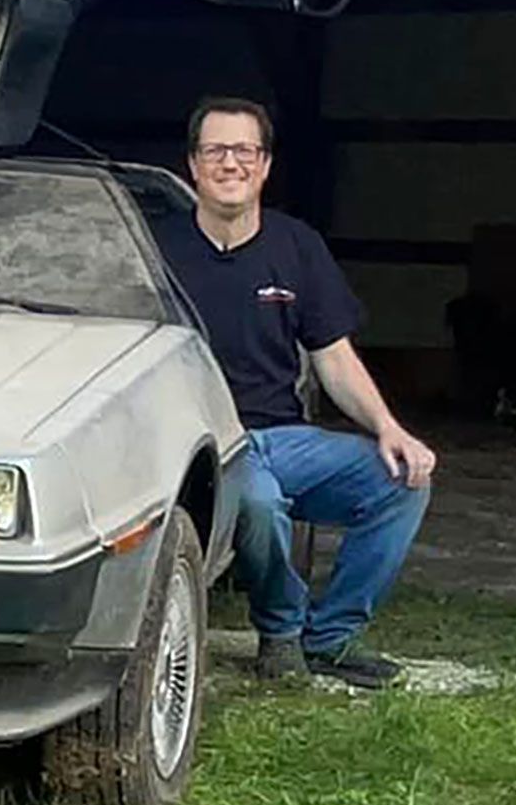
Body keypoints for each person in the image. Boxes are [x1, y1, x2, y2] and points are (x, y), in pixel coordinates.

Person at [154, 96, 434, 689]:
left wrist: (389, 428)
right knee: (257, 504)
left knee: (403, 482)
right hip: (208, 445)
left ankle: (329, 639)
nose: (231, 163)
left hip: (285, 436)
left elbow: (333, 358)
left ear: (266, 165)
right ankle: (279, 633)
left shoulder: (296, 246)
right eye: (216, 151)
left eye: (245, 151)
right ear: (193, 166)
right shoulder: (158, 253)